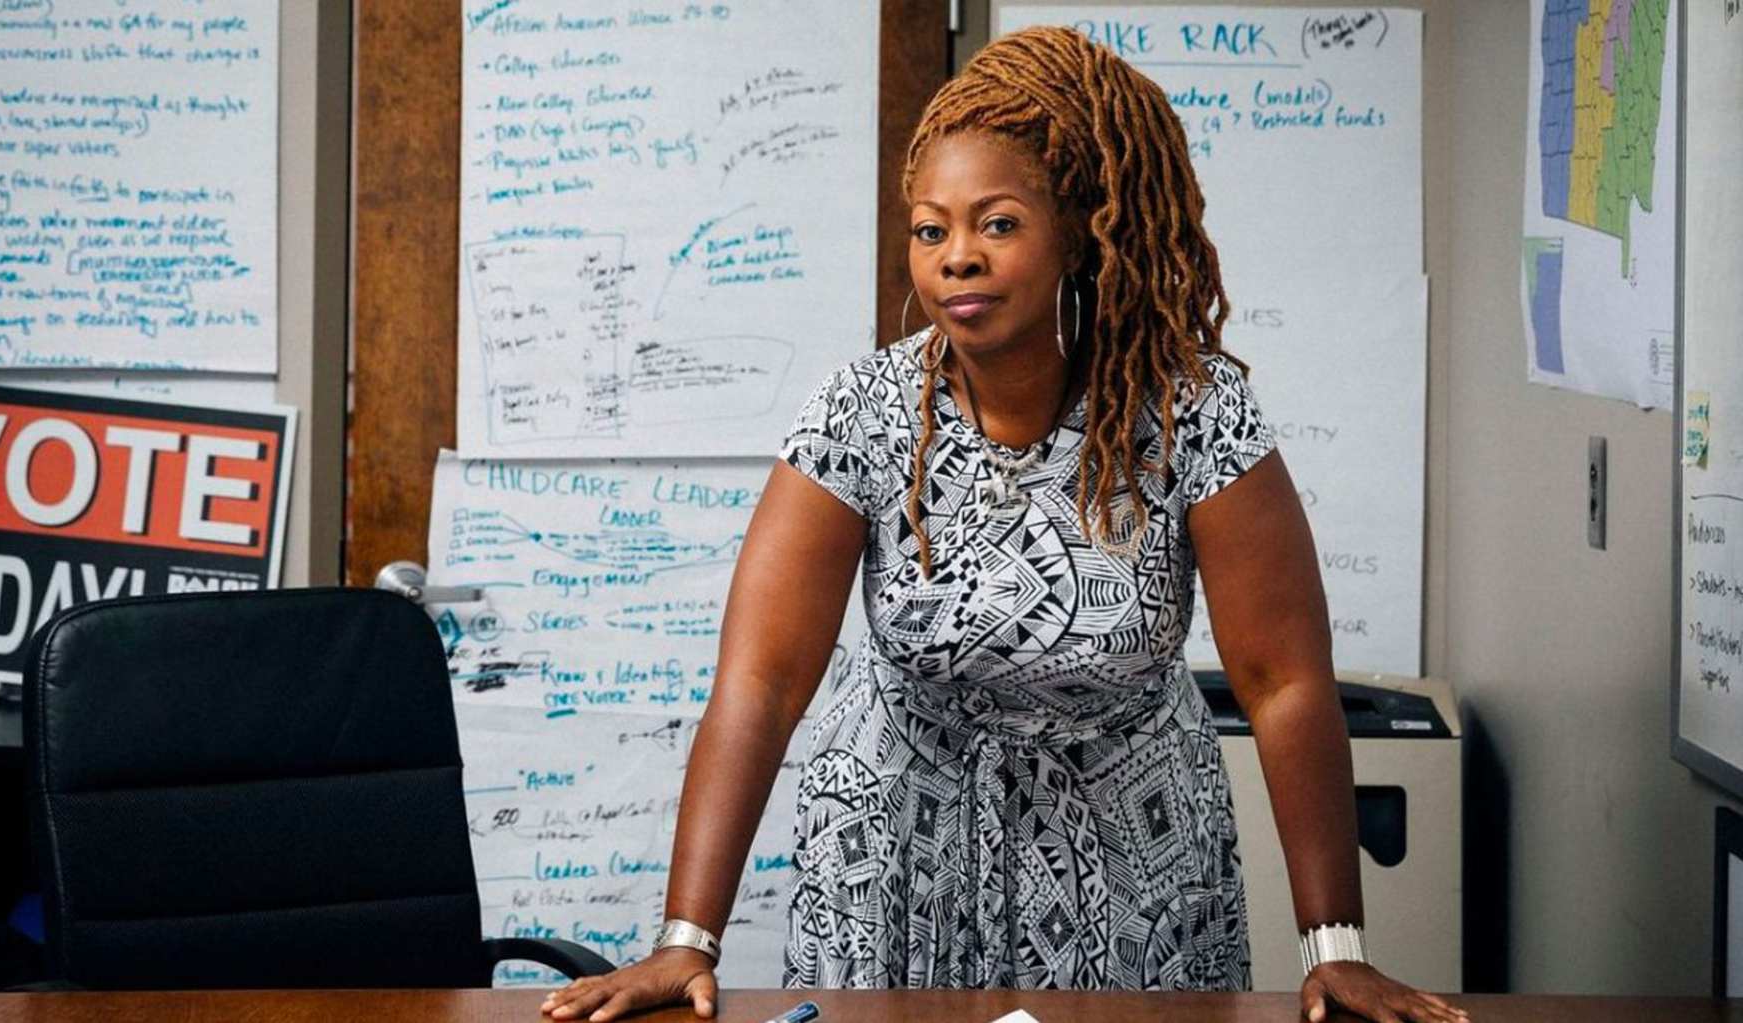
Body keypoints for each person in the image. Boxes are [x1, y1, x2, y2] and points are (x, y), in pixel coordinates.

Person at [542, 26, 1468, 1023]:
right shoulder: (863, 410)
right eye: (931, 231)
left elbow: (1283, 682)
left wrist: (1337, 948)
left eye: (997, 224)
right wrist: (684, 939)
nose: (958, 260)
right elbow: (760, 683)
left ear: (1075, 230)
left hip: (1137, 863)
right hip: (896, 856)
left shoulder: (1193, 414)